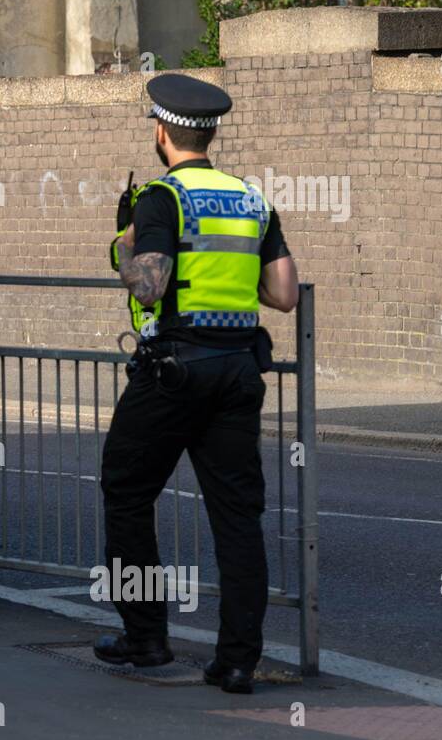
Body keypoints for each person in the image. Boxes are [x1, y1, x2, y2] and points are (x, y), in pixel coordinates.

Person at [96, 73, 300, 693]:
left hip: (174, 371)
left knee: (127, 490)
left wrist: (123, 243)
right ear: (209, 133)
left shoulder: (162, 197)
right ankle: (237, 660)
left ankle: (146, 637)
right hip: (239, 370)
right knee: (237, 516)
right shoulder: (251, 199)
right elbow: (284, 294)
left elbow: (149, 285)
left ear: (161, 133)